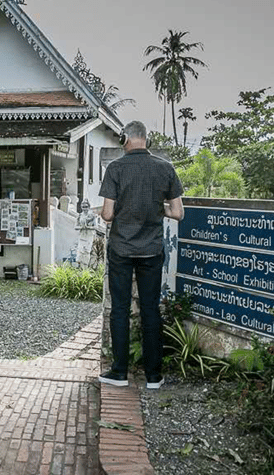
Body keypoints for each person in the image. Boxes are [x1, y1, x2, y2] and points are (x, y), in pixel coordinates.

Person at [98, 120, 184, 389]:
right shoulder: (165, 168)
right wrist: (160, 210)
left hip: (122, 249)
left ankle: (120, 372)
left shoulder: (116, 168)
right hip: (151, 250)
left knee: (120, 309)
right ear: (146, 139)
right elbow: (178, 213)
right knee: (150, 310)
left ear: (125, 139)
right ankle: (153, 376)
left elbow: (108, 215)